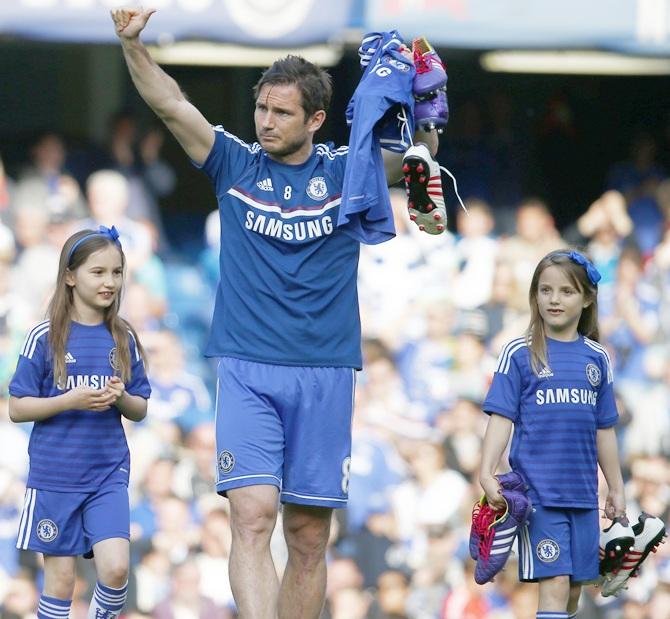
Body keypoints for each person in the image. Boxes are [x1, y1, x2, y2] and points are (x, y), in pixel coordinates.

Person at [110, 7, 441, 619]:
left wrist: (423, 105)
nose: (265, 121)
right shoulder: (234, 163)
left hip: (325, 371)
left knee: (309, 537)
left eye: (281, 111)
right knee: (252, 515)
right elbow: (171, 106)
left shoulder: (350, 171)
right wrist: (132, 46)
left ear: (315, 118)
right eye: (262, 108)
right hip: (246, 367)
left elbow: (419, 162)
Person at [7, 225, 151, 619]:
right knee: (60, 583)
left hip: (107, 474)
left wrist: (121, 397)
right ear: (69, 276)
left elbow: (140, 407)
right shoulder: (44, 336)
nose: (110, 282)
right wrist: (68, 400)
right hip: (55, 477)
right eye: (98, 272)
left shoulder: (123, 337)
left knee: (117, 569)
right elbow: (17, 407)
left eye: (117, 272)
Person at [478, 249, 627, 619]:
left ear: (588, 298)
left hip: (583, 494)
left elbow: (604, 429)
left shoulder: (597, 358)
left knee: (575, 590)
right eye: (546, 291)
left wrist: (617, 486)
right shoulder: (518, 352)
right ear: (534, 296)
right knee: (556, 583)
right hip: (538, 495)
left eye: (566, 291)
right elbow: (500, 417)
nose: (554, 299)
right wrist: (486, 472)